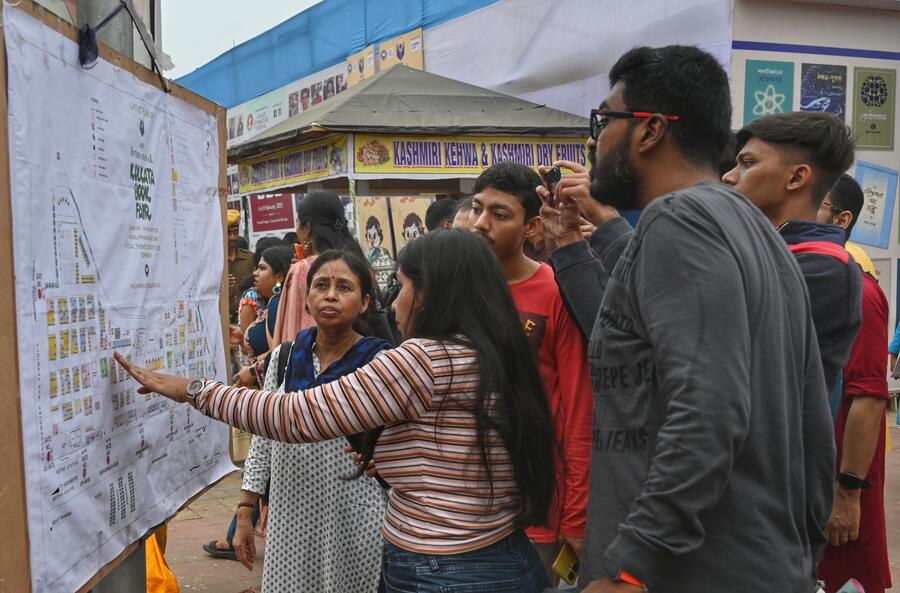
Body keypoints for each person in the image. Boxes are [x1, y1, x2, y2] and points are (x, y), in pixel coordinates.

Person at [538, 45, 834, 591]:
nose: (596, 140)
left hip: (685, 573)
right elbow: (814, 428)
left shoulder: (679, 221)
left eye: (604, 120)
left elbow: (710, 407)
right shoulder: (757, 234)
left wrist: (632, 564)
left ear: (648, 131)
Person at [116, 230, 555, 593]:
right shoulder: (492, 351)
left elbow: (294, 417)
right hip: (497, 554)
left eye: (399, 286)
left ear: (430, 293)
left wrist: (192, 389)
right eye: (320, 286)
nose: (395, 302)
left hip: (440, 568)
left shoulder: (423, 359)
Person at [231, 250, 390, 593]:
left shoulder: (381, 361)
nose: (330, 295)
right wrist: (246, 509)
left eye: (343, 287)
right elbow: (263, 435)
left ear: (364, 303)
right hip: (292, 514)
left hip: (356, 513)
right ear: (307, 299)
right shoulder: (285, 358)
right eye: (321, 285)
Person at [470, 162, 592, 578]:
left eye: (500, 214)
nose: (481, 223)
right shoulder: (456, 289)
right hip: (461, 504)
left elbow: (578, 408)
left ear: (532, 225)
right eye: (477, 208)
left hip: (535, 504)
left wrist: (574, 516)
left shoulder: (557, 291)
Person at [722, 111, 861, 397]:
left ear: (797, 177)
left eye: (747, 163)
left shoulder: (825, 268)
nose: (728, 176)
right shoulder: (765, 249)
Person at [816, 173, 892, 593]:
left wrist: (847, 495)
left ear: (842, 219)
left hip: (840, 489)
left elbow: (868, 397)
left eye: (816, 205)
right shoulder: (809, 282)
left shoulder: (858, 292)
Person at [272, 191, 366, 345]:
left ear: (307, 227)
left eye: (298, 222)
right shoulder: (357, 262)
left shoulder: (303, 269)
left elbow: (293, 332)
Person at [227, 209, 255, 322]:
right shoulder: (214, 262)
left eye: (235, 232)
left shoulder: (249, 258)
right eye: (228, 233)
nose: (232, 237)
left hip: (247, 318)